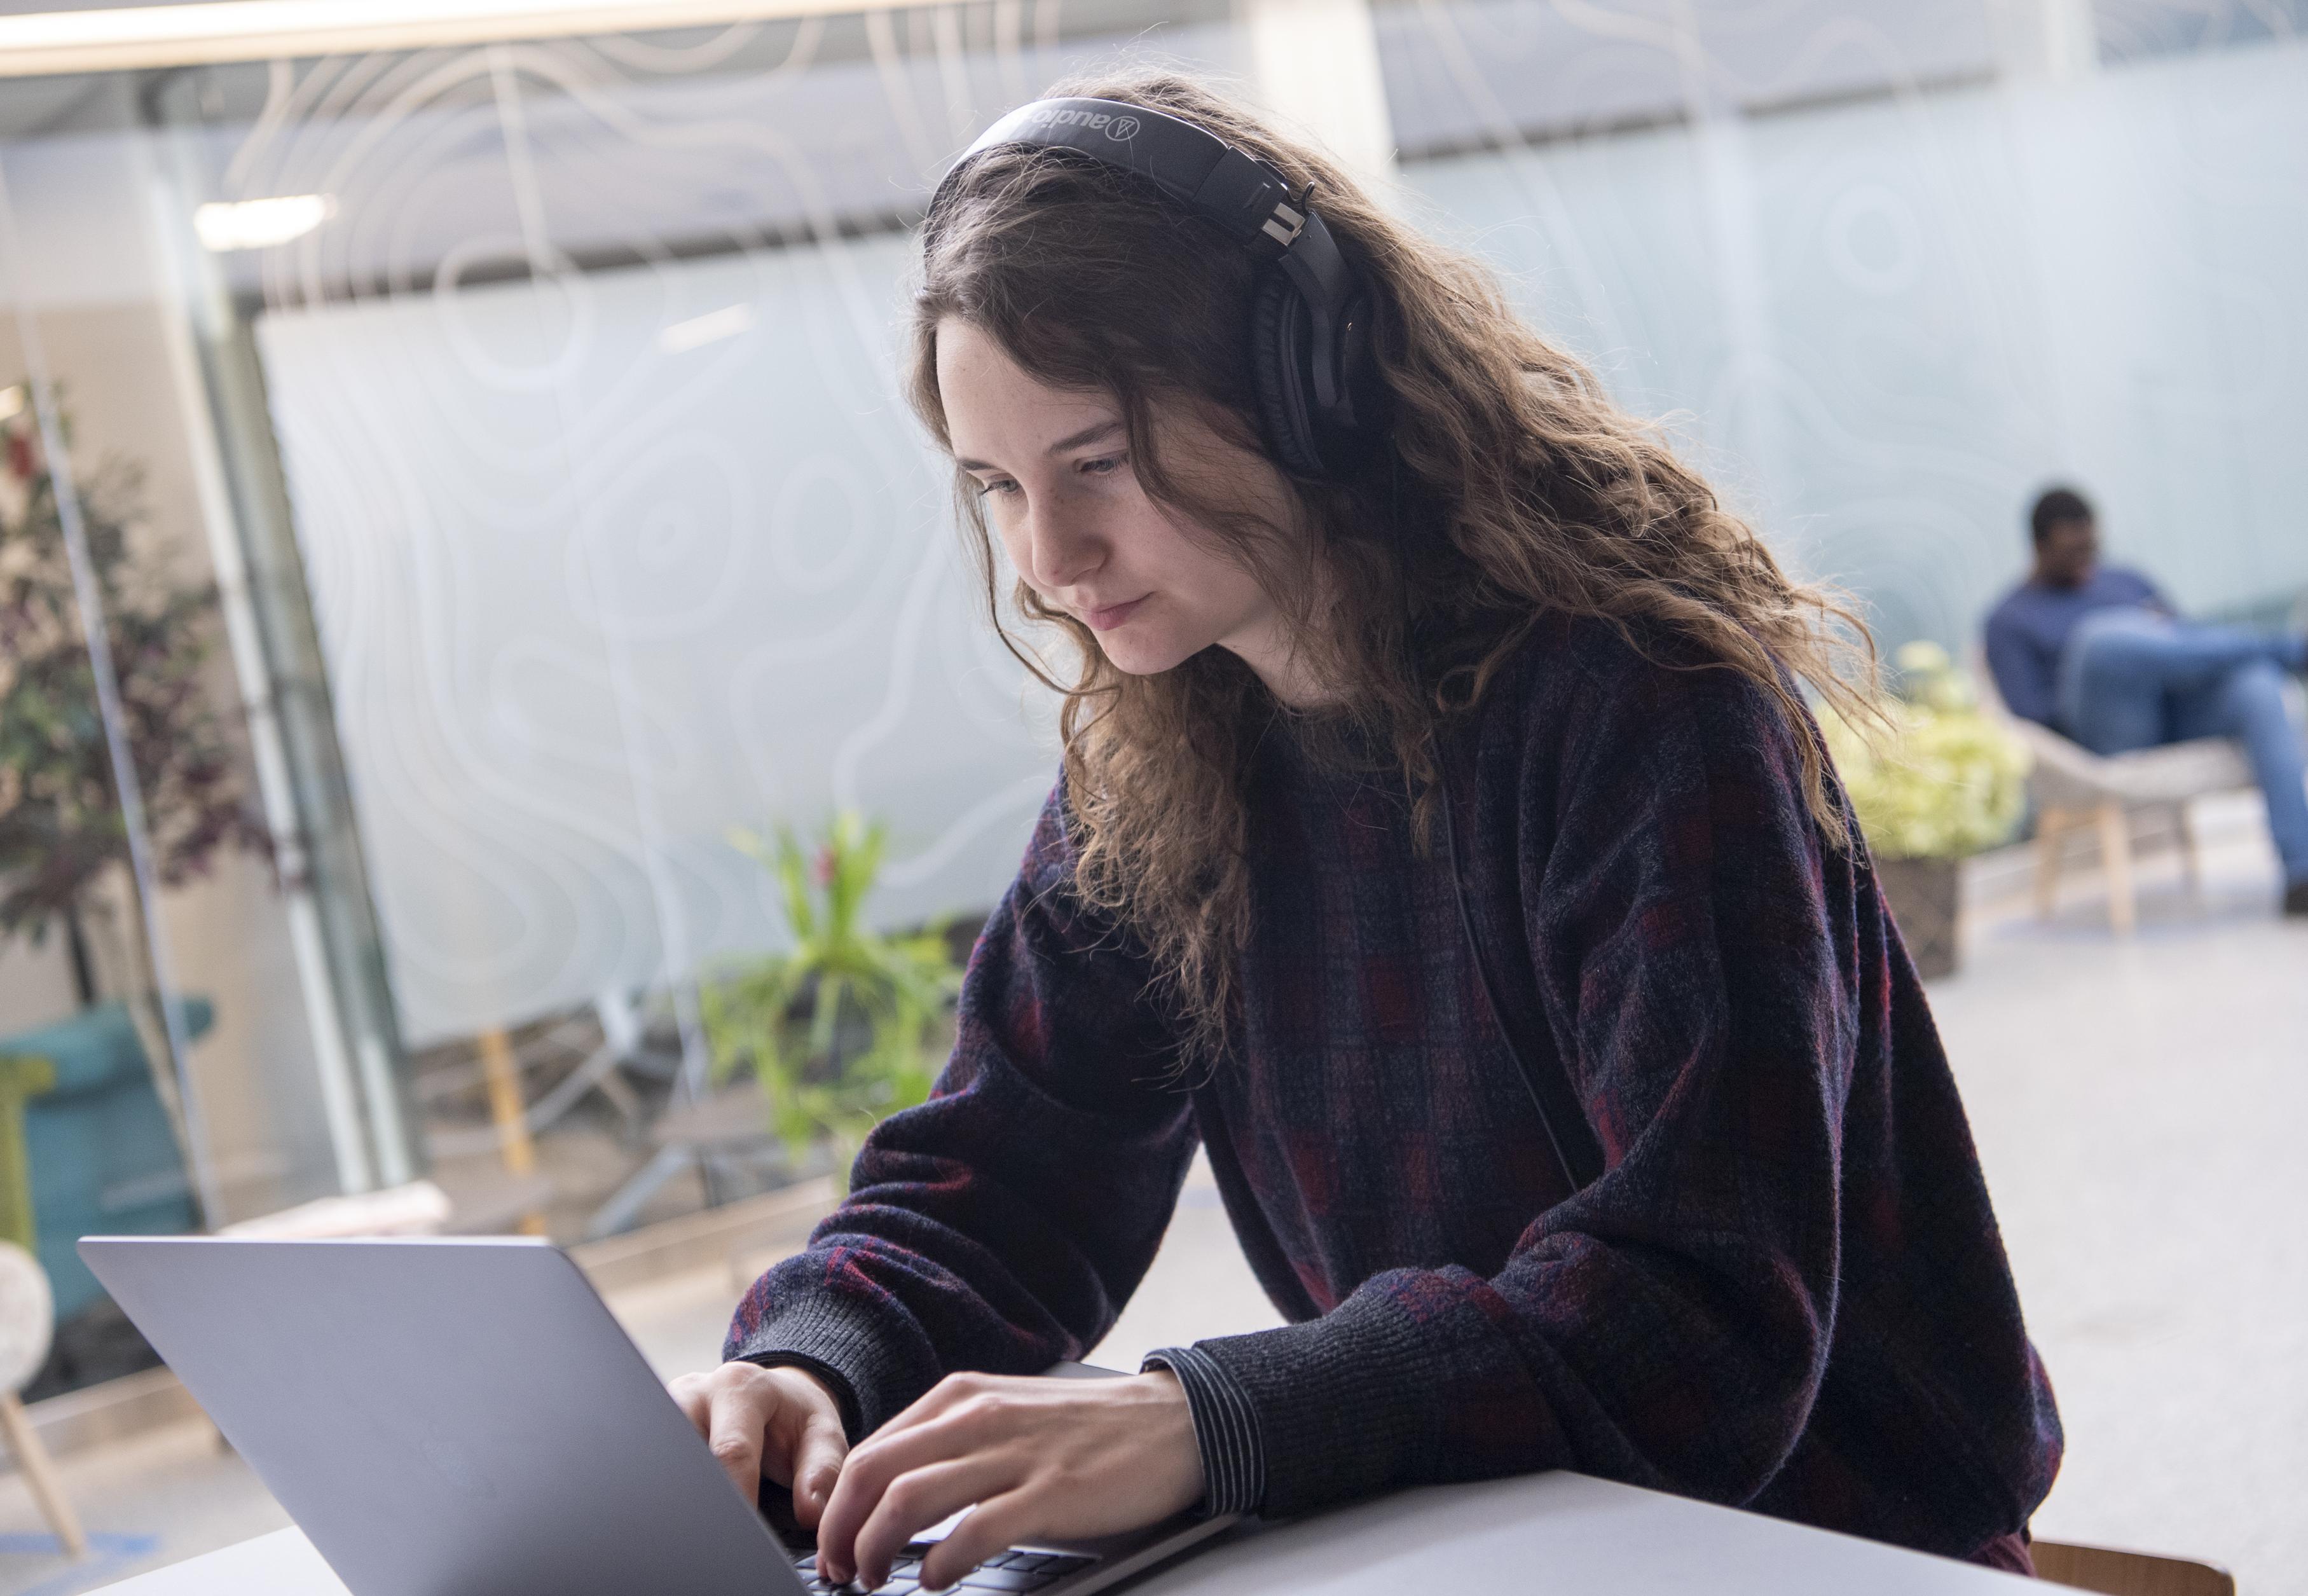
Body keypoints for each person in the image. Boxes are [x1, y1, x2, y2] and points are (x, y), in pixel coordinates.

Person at [671, 71, 2061, 1590]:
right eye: (996, 485)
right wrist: (816, 1364)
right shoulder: (1163, 760)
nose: (1047, 560)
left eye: (1099, 463)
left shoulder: (1642, 705)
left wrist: (1211, 1418)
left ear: (1303, 384)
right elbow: (1012, 1167)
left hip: (1817, 1544)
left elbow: (1700, 1313)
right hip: (1475, 1537)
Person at [1984, 485, 2308, 916]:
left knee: (2256, 686)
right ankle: (2291, 652)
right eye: (2071, 550)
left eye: (2092, 546)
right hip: (2105, 735)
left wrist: (2154, 653)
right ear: (2040, 546)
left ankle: (2301, 874)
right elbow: (2031, 717)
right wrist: (2111, 663)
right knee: (2101, 639)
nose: (2086, 561)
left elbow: (2188, 642)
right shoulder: (2009, 620)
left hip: (2174, 711)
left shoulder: (2126, 580)